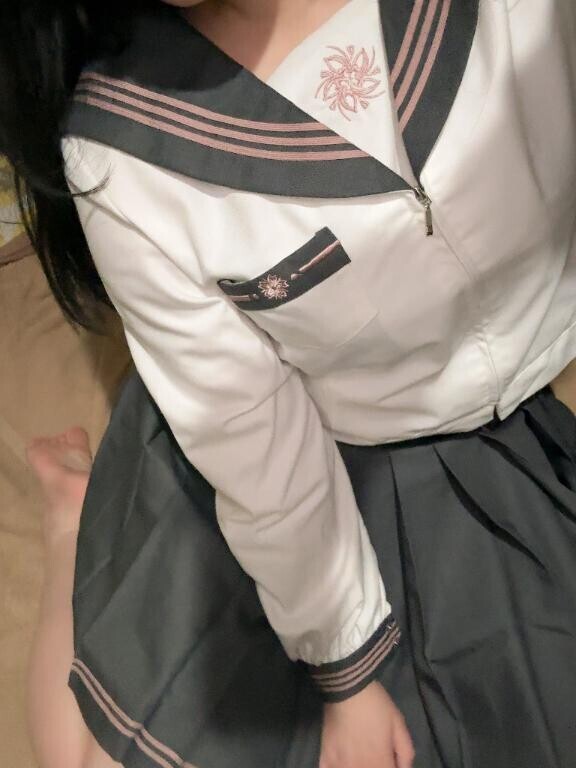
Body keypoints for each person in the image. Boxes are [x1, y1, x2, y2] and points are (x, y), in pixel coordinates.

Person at [2, 0, 576, 766]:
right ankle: (74, 520)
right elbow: (252, 436)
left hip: (506, 403)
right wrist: (348, 671)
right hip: (296, 442)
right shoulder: (121, 153)